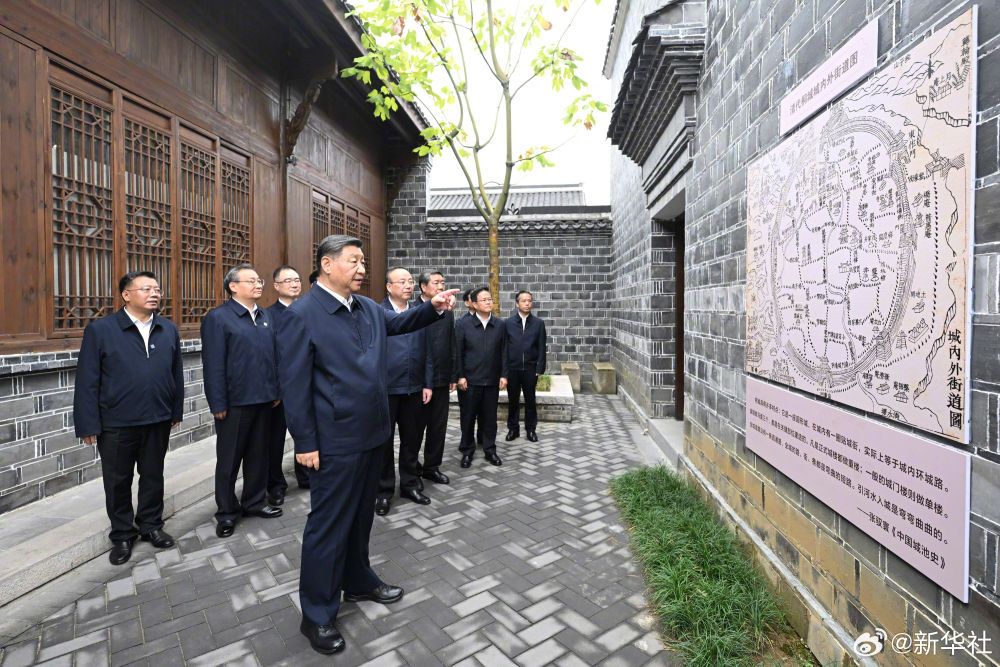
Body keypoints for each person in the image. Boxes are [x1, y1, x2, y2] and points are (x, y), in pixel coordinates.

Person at [275, 235, 458, 655]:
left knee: (360, 518)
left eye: (363, 261)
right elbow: (294, 384)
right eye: (354, 261)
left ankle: (357, 580)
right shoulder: (302, 315)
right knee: (328, 526)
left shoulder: (367, 308)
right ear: (326, 264)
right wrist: (305, 442)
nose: (362, 269)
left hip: (373, 434)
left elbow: (398, 325)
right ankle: (317, 614)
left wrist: (431, 307)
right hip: (334, 440)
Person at [74, 271, 183, 565]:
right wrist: (88, 423)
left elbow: (176, 373)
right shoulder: (101, 330)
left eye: (157, 289)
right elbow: (87, 380)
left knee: (153, 475)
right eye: (146, 289)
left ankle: (151, 525)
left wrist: (175, 410)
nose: (154, 293)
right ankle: (122, 534)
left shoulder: (168, 328)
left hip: (157, 418)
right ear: (126, 295)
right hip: (116, 422)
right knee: (117, 481)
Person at [201, 264, 283, 539]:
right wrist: (218, 402)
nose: (258, 284)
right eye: (251, 281)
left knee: (259, 455)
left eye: (259, 280)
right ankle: (226, 512)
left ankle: (254, 502)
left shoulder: (265, 316)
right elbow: (213, 364)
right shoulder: (218, 318)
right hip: (235, 403)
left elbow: (274, 357)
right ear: (233, 286)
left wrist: (275, 390)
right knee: (229, 459)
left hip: (264, 399)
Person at [376, 267, 434, 514]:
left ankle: (410, 484)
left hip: (414, 388)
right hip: (386, 390)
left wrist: (427, 383)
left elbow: (428, 352)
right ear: (389, 287)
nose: (408, 285)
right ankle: (383, 491)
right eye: (402, 281)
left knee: (412, 439)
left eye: (410, 281)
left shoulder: (419, 313)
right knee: (384, 443)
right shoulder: (377, 313)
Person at [266, 265, 308, 499]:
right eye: (288, 280)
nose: (294, 284)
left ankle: (307, 475)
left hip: (307, 387)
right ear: (276, 286)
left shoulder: (308, 311)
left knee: (307, 432)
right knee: (274, 440)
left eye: (297, 279)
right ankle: (275, 485)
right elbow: (268, 356)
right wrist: (276, 388)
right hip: (281, 390)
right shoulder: (267, 316)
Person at [454, 287, 508, 468]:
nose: (488, 302)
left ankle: (490, 450)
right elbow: (458, 352)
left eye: (489, 299)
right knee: (468, 418)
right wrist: (460, 376)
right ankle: (467, 451)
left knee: (490, 418)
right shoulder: (463, 324)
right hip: (469, 381)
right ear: (474, 304)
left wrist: (504, 375)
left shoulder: (499, 325)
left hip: (491, 380)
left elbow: (504, 351)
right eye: (484, 300)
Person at [416, 270, 455, 489]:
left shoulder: (447, 311)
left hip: (441, 378)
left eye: (442, 282)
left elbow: (451, 343)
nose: (441, 286)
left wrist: (453, 374)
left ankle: (432, 467)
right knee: (414, 429)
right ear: (423, 287)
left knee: (438, 427)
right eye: (436, 282)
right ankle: (412, 468)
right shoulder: (413, 309)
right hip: (418, 381)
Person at [505, 290, 547, 442]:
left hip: (530, 369)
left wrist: (539, 368)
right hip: (512, 369)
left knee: (530, 400)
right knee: (513, 401)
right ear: (517, 304)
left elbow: (542, 347)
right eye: (523, 301)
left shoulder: (538, 323)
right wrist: (504, 370)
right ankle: (513, 429)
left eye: (529, 300)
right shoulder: (508, 323)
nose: (527, 303)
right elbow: (504, 348)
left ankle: (531, 430)